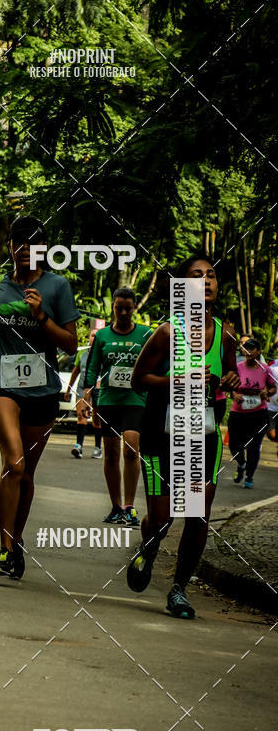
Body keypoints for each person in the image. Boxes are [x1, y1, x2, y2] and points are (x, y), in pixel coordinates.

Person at [127, 253, 239, 619]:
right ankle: (149, 545)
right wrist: (177, 380)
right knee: (162, 519)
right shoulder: (166, 332)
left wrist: (228, 380)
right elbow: (138, 379)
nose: (205, 280)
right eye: (196, 275)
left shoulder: (226, 334)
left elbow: (230, 376)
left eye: (211, 275)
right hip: (160, 433)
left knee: (196, 514)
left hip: (202, 436)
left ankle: (178, 590)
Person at [0, 215, 79, 579]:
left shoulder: (57, 286)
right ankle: (4, 549)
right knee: (14, 464)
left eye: (31, 244)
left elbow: (71, 344)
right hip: (2, 384)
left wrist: (42, 317)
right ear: (10, 247)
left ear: (43, 249)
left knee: (27, 474)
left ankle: (15, 541)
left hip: (42, 389)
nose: (23, 249)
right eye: (17, 242)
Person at [83, 289, 152, 526]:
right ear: (112, 307)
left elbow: (155, 362)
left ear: (134, 308)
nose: (123, 313)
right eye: (118, 308)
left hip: (136, 399)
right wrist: (87, 395)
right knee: (111, 454)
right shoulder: (102, 335)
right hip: (109, 401)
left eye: (127, 308)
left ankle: (130, 507)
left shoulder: (145, 334)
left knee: (131, 450)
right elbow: (93, 367)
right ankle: (116, 506)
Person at [228, 336, 275, 488]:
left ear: (258, 351)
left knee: (254, 447)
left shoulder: (265, 369)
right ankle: (241, 464)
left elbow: (273, 387)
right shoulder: (238, 367)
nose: (248, 351)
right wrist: (234, 394)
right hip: (238, 413)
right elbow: (230, 386)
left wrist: (267, 391)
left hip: (258, 414)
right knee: (234, 445)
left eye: (251, 349)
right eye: (246, 348)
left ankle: (249, 477)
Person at [64, 329, 103, 459]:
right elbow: (75, 372)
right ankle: (79, 446)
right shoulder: (82, 353)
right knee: (81, 415)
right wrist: (69, 389)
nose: (94, 338)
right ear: (89, 337)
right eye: (92, 335)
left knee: (97, 419)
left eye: (97, 336)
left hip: (97, 390)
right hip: (82, 388)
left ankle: (98, 448)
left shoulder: (104, 354)